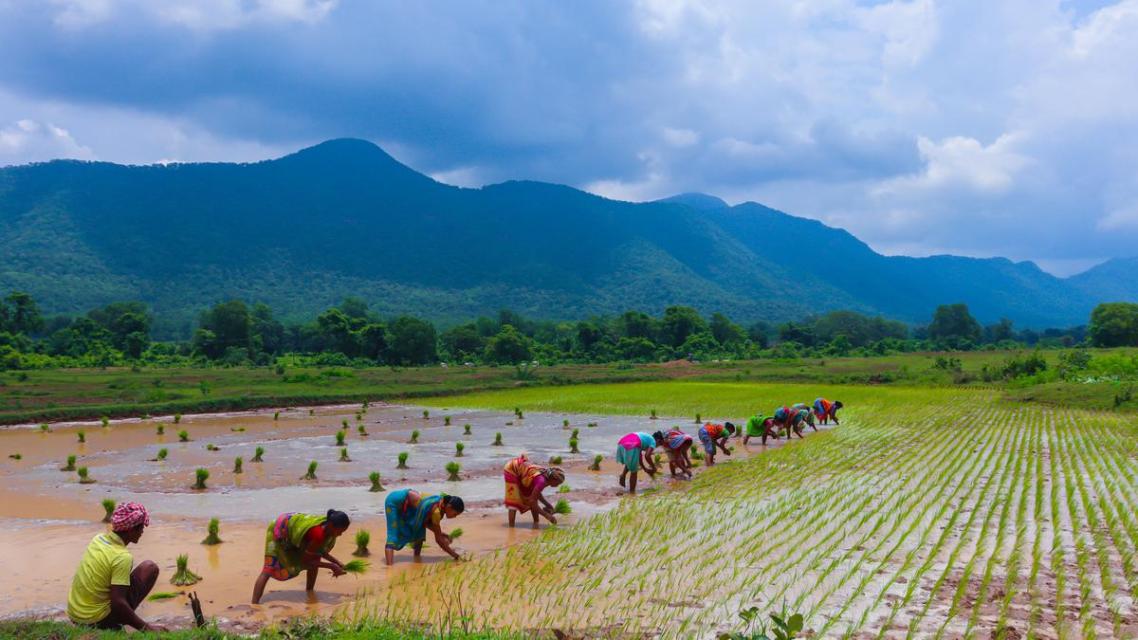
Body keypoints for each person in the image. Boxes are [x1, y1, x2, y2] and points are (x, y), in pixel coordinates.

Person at [68, 502, 166, 632]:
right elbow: (117, 603)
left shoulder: (98, 539)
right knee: (150, 568)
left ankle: (116, 620)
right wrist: (147, 628)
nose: (142, 531)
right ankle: (114, 626)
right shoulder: (122, 557)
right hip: (96, 621)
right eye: (141, 527)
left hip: (75, 615)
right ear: (131, 530)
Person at [251, 509, 350, 604]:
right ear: (331, 525)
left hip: (294, 525)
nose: (340, 534)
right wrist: (332, 566)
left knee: (315, 559)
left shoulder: (327, 528)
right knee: (268, 569)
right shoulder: (318, 535)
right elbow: (306, 561)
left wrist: (337, 563)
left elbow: (321, 552)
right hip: (282, 527)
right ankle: (254, 603)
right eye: (340, 531)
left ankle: (310, 592)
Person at [384, 489, 465, 565]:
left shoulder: (441, 501)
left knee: (420, 533)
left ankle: (416, 559)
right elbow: (439, 541)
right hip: (394, 502)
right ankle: (389, 568)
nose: (454, 517)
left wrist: (440, 533)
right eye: (455, 514)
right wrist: (455, 556)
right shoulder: (436, 511)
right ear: (449, 507)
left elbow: (425, 522)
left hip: (408, 503)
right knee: (393, 535)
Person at [503, 454, 565, 528]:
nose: (557, 486)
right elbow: (532, 502)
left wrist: (548, 505)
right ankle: (511, 528)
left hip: (521, 470)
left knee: (531, 497)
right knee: (513, 501)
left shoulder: (546, 476)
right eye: (557, 483)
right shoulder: (541, 482)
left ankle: (536, 523)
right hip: (511, 469)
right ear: (553, 480)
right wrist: (547, 515)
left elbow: (536, 495)